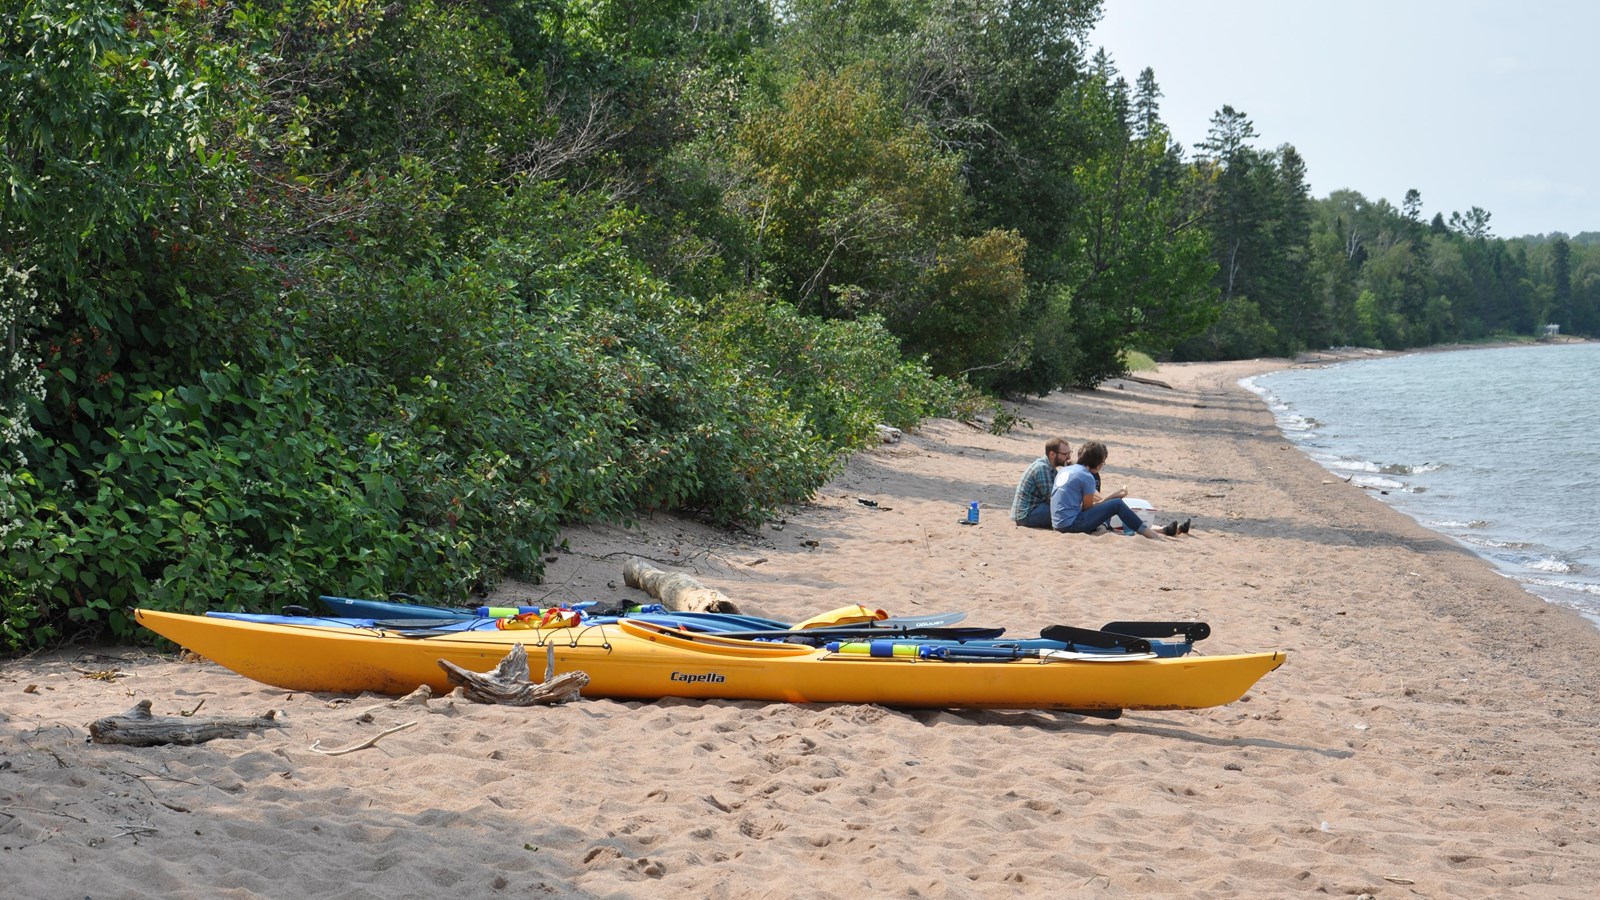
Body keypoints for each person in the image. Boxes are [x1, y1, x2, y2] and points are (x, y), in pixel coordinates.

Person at [1051, 441, 1189, 538]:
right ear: (1098, 462)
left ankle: (1158, 530)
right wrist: (1114, 498)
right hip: (1069, 525)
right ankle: (1150, 534)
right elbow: (1088, 509)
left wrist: (1111, 499)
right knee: (1117, 504)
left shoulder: (1068, 470)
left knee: (1113, 505)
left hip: (1057, 523)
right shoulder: (1087, 476)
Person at [1010, 437, 1072, 529]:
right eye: (1065, 454)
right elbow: (1053, 498)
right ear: (1052, 454)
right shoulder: (1042, 468)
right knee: (1068, 512)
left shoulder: (1050, 468)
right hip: (1027, 515)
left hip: (1035, 509)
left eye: (1069, 453)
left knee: (1068, 509)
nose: (1069, 457)